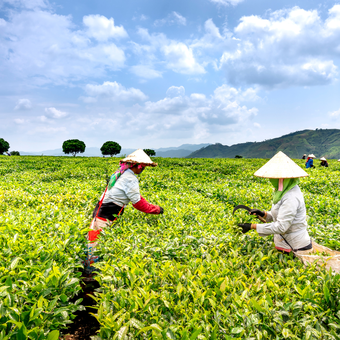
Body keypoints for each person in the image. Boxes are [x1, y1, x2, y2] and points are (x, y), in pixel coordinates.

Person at [84, 149, 164, 278]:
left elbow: (134, 196)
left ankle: (90, 272)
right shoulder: (130, 178)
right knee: (96, 245)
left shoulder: (121, 173)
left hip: (101, 211)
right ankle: (91, 276)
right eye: (143, 167)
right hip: (106, 214)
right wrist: (156, 209)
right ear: (138, 166)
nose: (143, 170)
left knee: (93, 242)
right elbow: (138, 203)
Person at [238, 151, 312, 254]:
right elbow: (280, 215)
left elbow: (281, 226)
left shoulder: (291, 197)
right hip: (284, 242)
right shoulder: (282, 191)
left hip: (296, 247)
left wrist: (252, 226)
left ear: (281, 179)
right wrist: (263, 214)